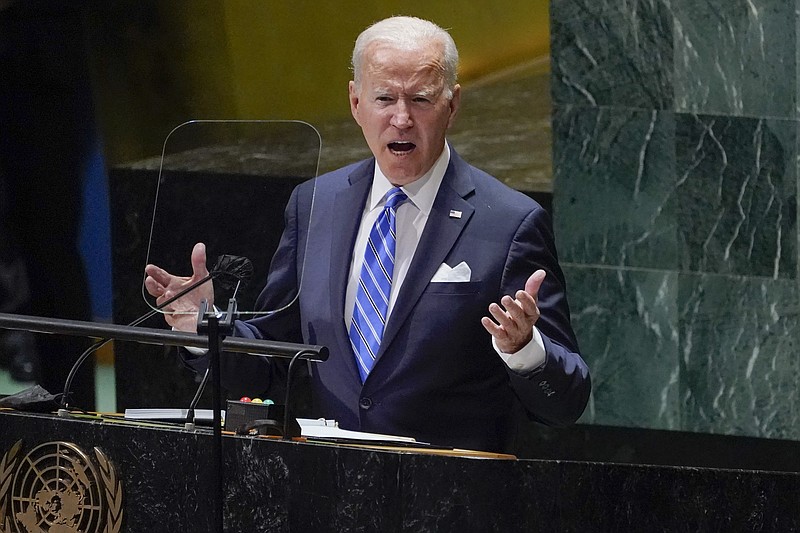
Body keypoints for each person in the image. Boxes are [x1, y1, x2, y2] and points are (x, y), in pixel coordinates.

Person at [144, 16, 590, 452]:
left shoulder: (510, 222)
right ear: (355, 103)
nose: (401, 119)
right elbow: (273, 361)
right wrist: (202, 329)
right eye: (384, 99)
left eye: (420, 99)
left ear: (452, 105)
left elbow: (566, 404)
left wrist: (524, 349)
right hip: (333, 495)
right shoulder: (315, 203)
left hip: (453, 500)